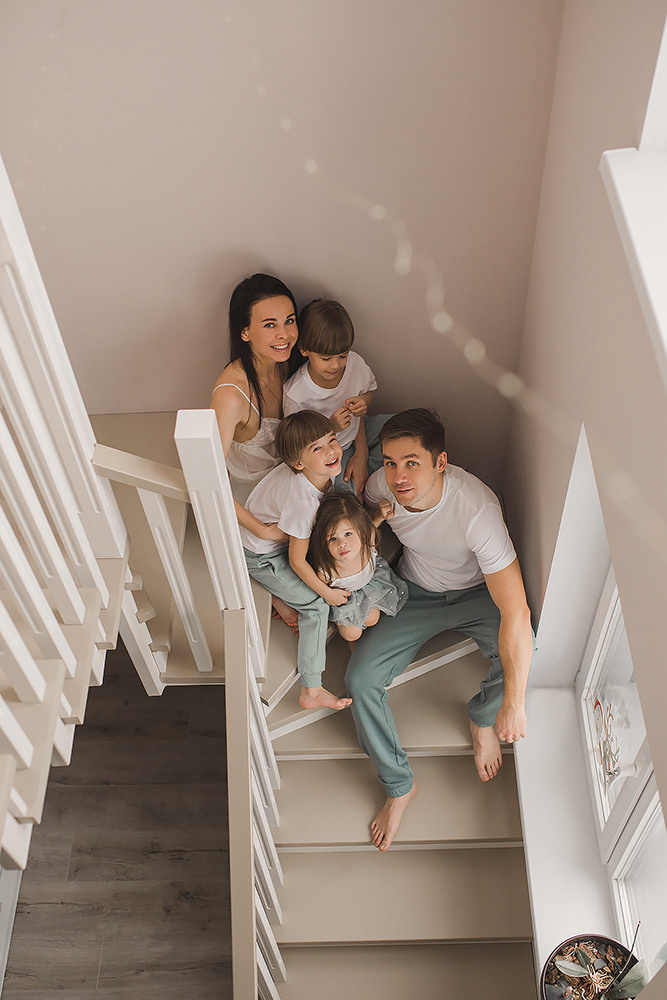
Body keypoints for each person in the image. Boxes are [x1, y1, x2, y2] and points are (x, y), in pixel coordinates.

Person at [346, 408, 533, 852]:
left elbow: (517, 612)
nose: (398, 475)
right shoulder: (379, 487)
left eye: (412, 462)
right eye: (390, 462)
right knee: (360, 678)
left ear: (441, 462)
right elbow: (359, 516)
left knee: (522, 657)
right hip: (417, 591)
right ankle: (399, 786)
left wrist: (513, 705)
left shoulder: (476, 510)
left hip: (476, 593)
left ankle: (480, 716)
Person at [241, 410, 353, 711]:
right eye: (318, 448)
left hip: (279, 537)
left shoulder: (315, 474)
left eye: (331, 440)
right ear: (298, 463)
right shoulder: (302, 502)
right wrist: (326, 594)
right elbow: (297, 561)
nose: (331, 451)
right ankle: (311, 689)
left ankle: (280, 599)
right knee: (316, 607)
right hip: (262, 555)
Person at [211, 272, 302, 628]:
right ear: (244, 332)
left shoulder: (288, 364)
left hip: (292, 473)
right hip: (253, 495)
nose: (285, 334)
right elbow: (208, 481)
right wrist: (262, 531)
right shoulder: (231, 395)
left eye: (289, 321)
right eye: (270, 325)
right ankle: (274, 592)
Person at [282, 299, 389, 496]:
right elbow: (298, 444)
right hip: (328, 457)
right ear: (304, 350)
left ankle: (368, 468)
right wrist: (330, 428)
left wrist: (364, 402)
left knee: (401, 428)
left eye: (342, 355)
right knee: (344, 497)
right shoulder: (296, 393)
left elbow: (367, 391)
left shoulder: (355, 364)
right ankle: (368, 477)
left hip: (359, 432)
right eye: (325, 359)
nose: (336, 365)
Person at [307, 492, 408, 647]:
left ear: (360, 532)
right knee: (351, 634)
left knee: (372, 618)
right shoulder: (327, 571)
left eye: (348, 533)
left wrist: (380, 516)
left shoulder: (367, 541)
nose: (342, 543)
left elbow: (372, 526)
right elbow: (314, 587)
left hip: (369, 586)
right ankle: (352, 643)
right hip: (345, 599)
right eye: (333, 538)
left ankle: (367, 637)